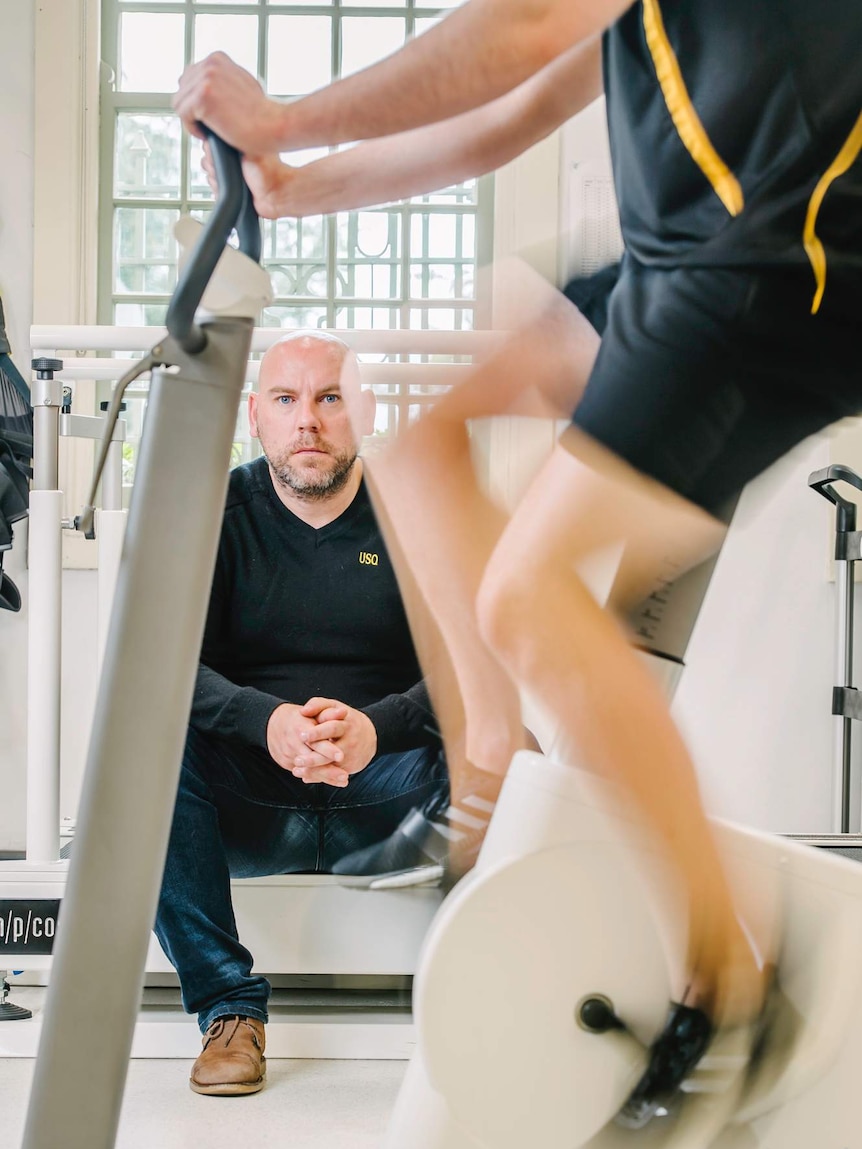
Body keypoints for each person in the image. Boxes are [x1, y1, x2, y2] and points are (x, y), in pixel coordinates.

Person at [174, 0, 862, 1128]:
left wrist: (283, 117)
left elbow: (521, 26)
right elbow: (501, 117)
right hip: (679, 264)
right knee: (418, 455)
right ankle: (488, 761)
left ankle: (730, 980)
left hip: (762, 278)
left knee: (528, 600)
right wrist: (289, 183)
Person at [154, 330, 450, 1096]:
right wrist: (268, 721)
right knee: (145, 750)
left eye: (330, 398)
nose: (307, 421)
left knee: (505, 744)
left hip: (388, 798)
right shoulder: (214, 511)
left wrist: (375, 726)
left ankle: (483, 986)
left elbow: (467, 673)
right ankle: (228, 1009)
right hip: (255, 798)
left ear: (366, 412)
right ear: (256, 415)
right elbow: (164, 668)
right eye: (286, 399)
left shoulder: (417, 512)